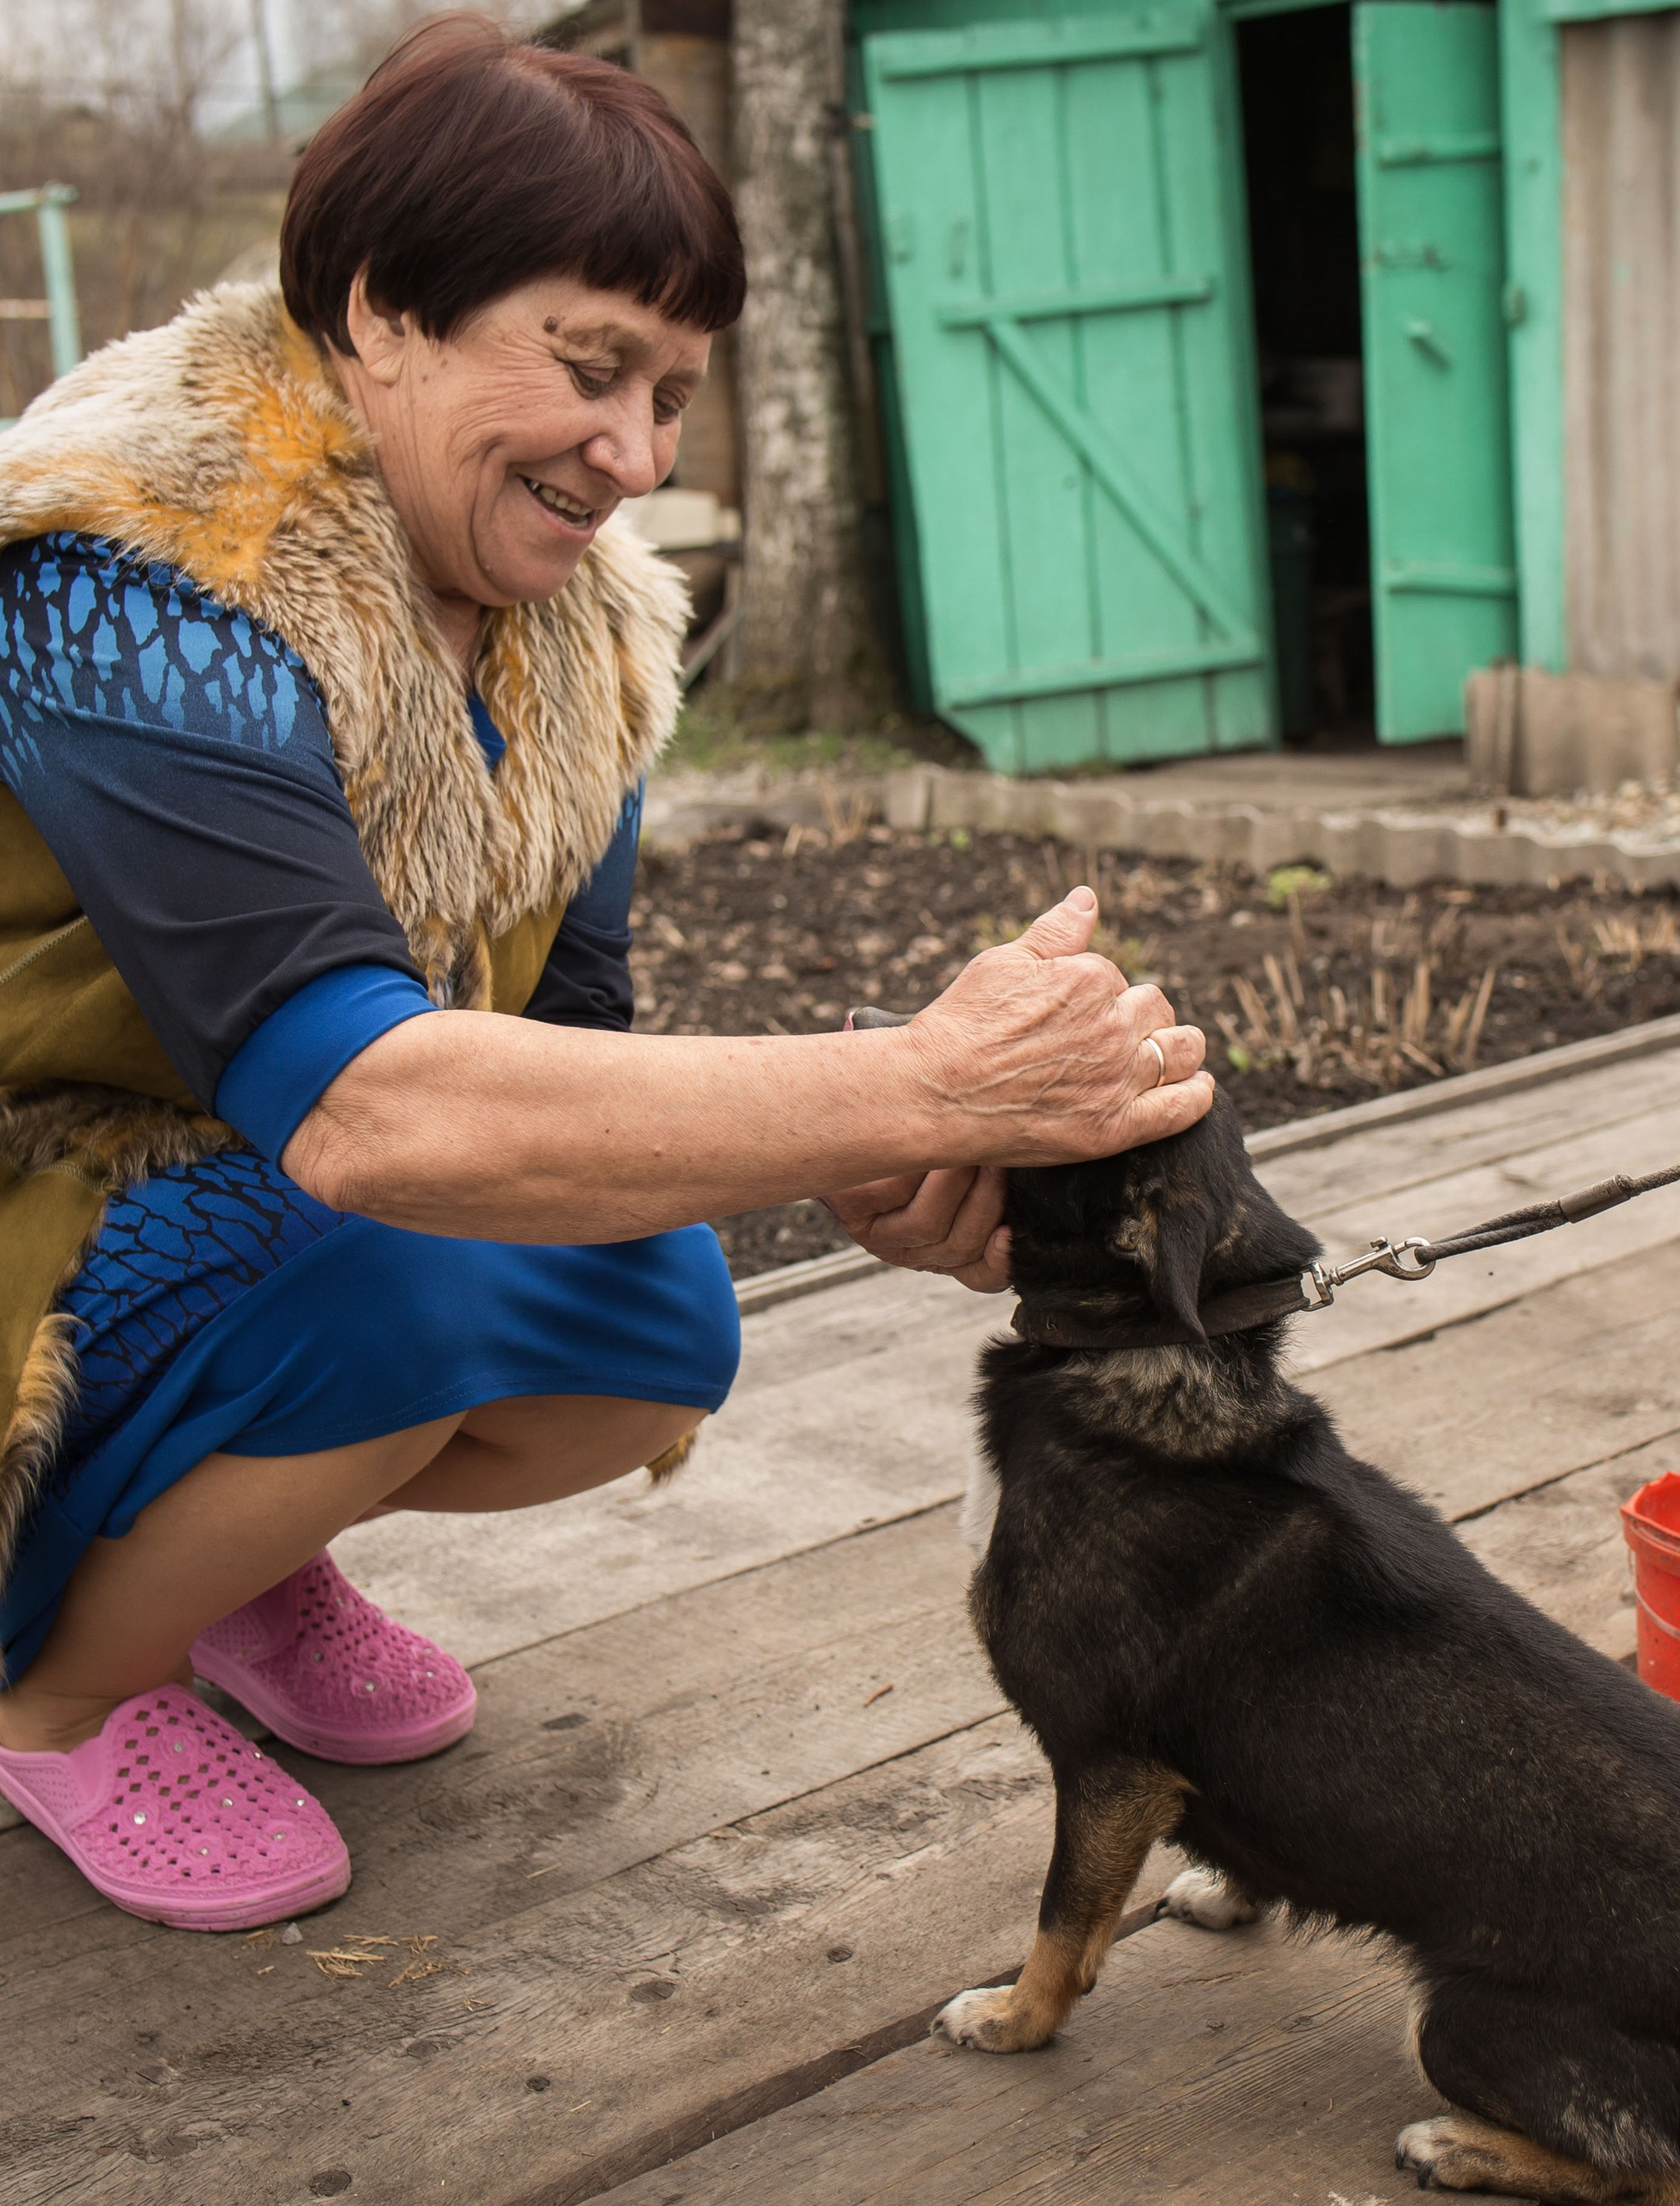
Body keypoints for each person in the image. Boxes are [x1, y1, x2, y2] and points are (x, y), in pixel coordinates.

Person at [0, 18, 1210, 1934]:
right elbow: (373, 1110)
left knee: (640, 1311)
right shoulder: (141, 565)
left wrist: (851, 1158)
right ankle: (55, 1695)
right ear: (383, 309)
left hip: (241, 1200)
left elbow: (557, 1060)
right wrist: (919, 1079)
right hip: (35, 1208)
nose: (635, 456)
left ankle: (223, 1551)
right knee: (397, 1261)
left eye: (672, 392)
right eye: (590, 368)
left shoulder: (570, 630)